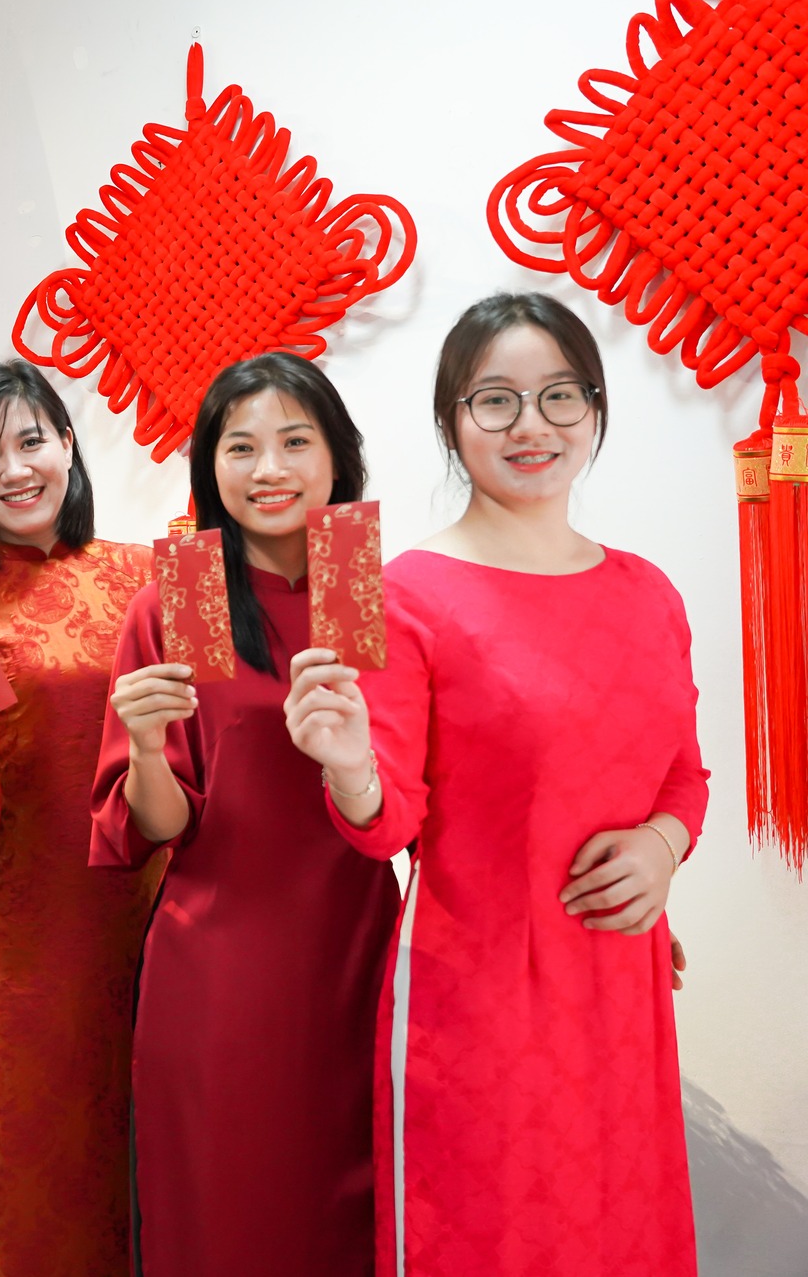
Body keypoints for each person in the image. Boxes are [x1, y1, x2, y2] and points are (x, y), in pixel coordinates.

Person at [285, 293, 706, 1277]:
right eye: (495, 400)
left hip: (619, 993)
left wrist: (661, 846)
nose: (531, 425)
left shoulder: (648, 591)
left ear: (594, 410)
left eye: (559, 395)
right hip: (476, 1003)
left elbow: (682, 778)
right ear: (451, 421)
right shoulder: (399, 589)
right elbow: (385, 824)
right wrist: (348, 764)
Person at [90, 354, 400, 1277]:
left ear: (337, 456)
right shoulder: (184, 595)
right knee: (224, 1222)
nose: (270, 469)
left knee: (356, 1220)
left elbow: (434, 785)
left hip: (360, 953)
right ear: (209, 467)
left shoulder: (363, 583)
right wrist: (147, 748)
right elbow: (159, 823)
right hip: (220, 967)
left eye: (296, 442)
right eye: (241, 447)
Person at [0, 360, 160, 1275]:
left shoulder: (145, 574)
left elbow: (213, 726)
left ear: (68, 445)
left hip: (149, 912)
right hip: (24, 937)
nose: (13, 469)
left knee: (153, 1143)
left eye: (31, 441)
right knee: (25, 1160)